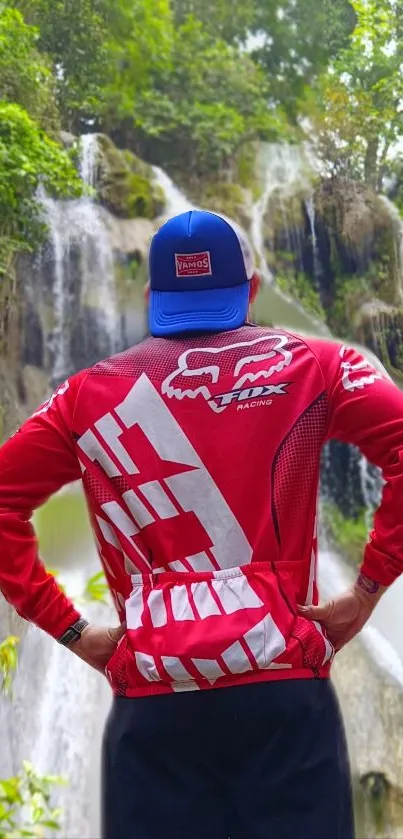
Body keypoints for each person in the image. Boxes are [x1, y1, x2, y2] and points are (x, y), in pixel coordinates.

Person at [0, 209, 402, 839]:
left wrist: (72, 629)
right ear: (249, 288)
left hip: (156, 708)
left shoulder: (84, 397)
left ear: (151, 296)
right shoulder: (316, 366)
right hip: (285, 699)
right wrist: (369, 590)